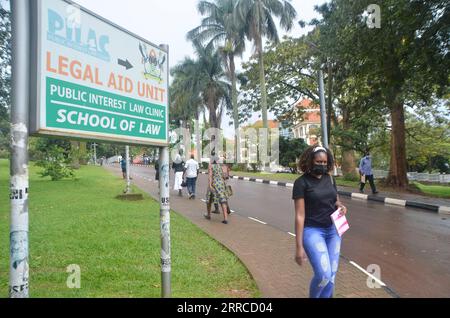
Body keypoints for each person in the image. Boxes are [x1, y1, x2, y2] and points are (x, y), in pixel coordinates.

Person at [292, 145, 348, 298]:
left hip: (333, 231)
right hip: (312, 232)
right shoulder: (301, 183)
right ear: (310, 161)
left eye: (324, 162)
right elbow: (299, 216)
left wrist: (341, 206)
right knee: (324, 275)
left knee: (332, 276)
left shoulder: (330, 178)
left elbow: (335, 200)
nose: (322, 165)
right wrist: (299, 247)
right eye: (318, 162)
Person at [204, 155, 229, 224]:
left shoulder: (211, 166)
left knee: (209, 200)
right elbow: (225, 176)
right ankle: (225, 218)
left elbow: (210, 176)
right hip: (221, 184)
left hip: (214, 184)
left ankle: (208, 215)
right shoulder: (222, 166)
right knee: (223, 200)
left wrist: (210, 185)